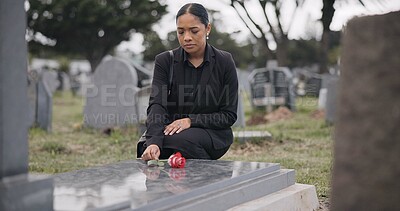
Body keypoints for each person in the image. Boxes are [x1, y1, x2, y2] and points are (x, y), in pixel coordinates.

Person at [140, 3, 238, 161]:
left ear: (207, 29)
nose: (186, 37)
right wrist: (153, 143)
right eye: (181, 32)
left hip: (212, 133)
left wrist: (190, 121)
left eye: (194, 31)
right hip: (172, 131)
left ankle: (205, 171)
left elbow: (228, 115)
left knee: (180, 141)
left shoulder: (224, 61)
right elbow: (157, 105)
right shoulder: (165, 61)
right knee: (148, 146)